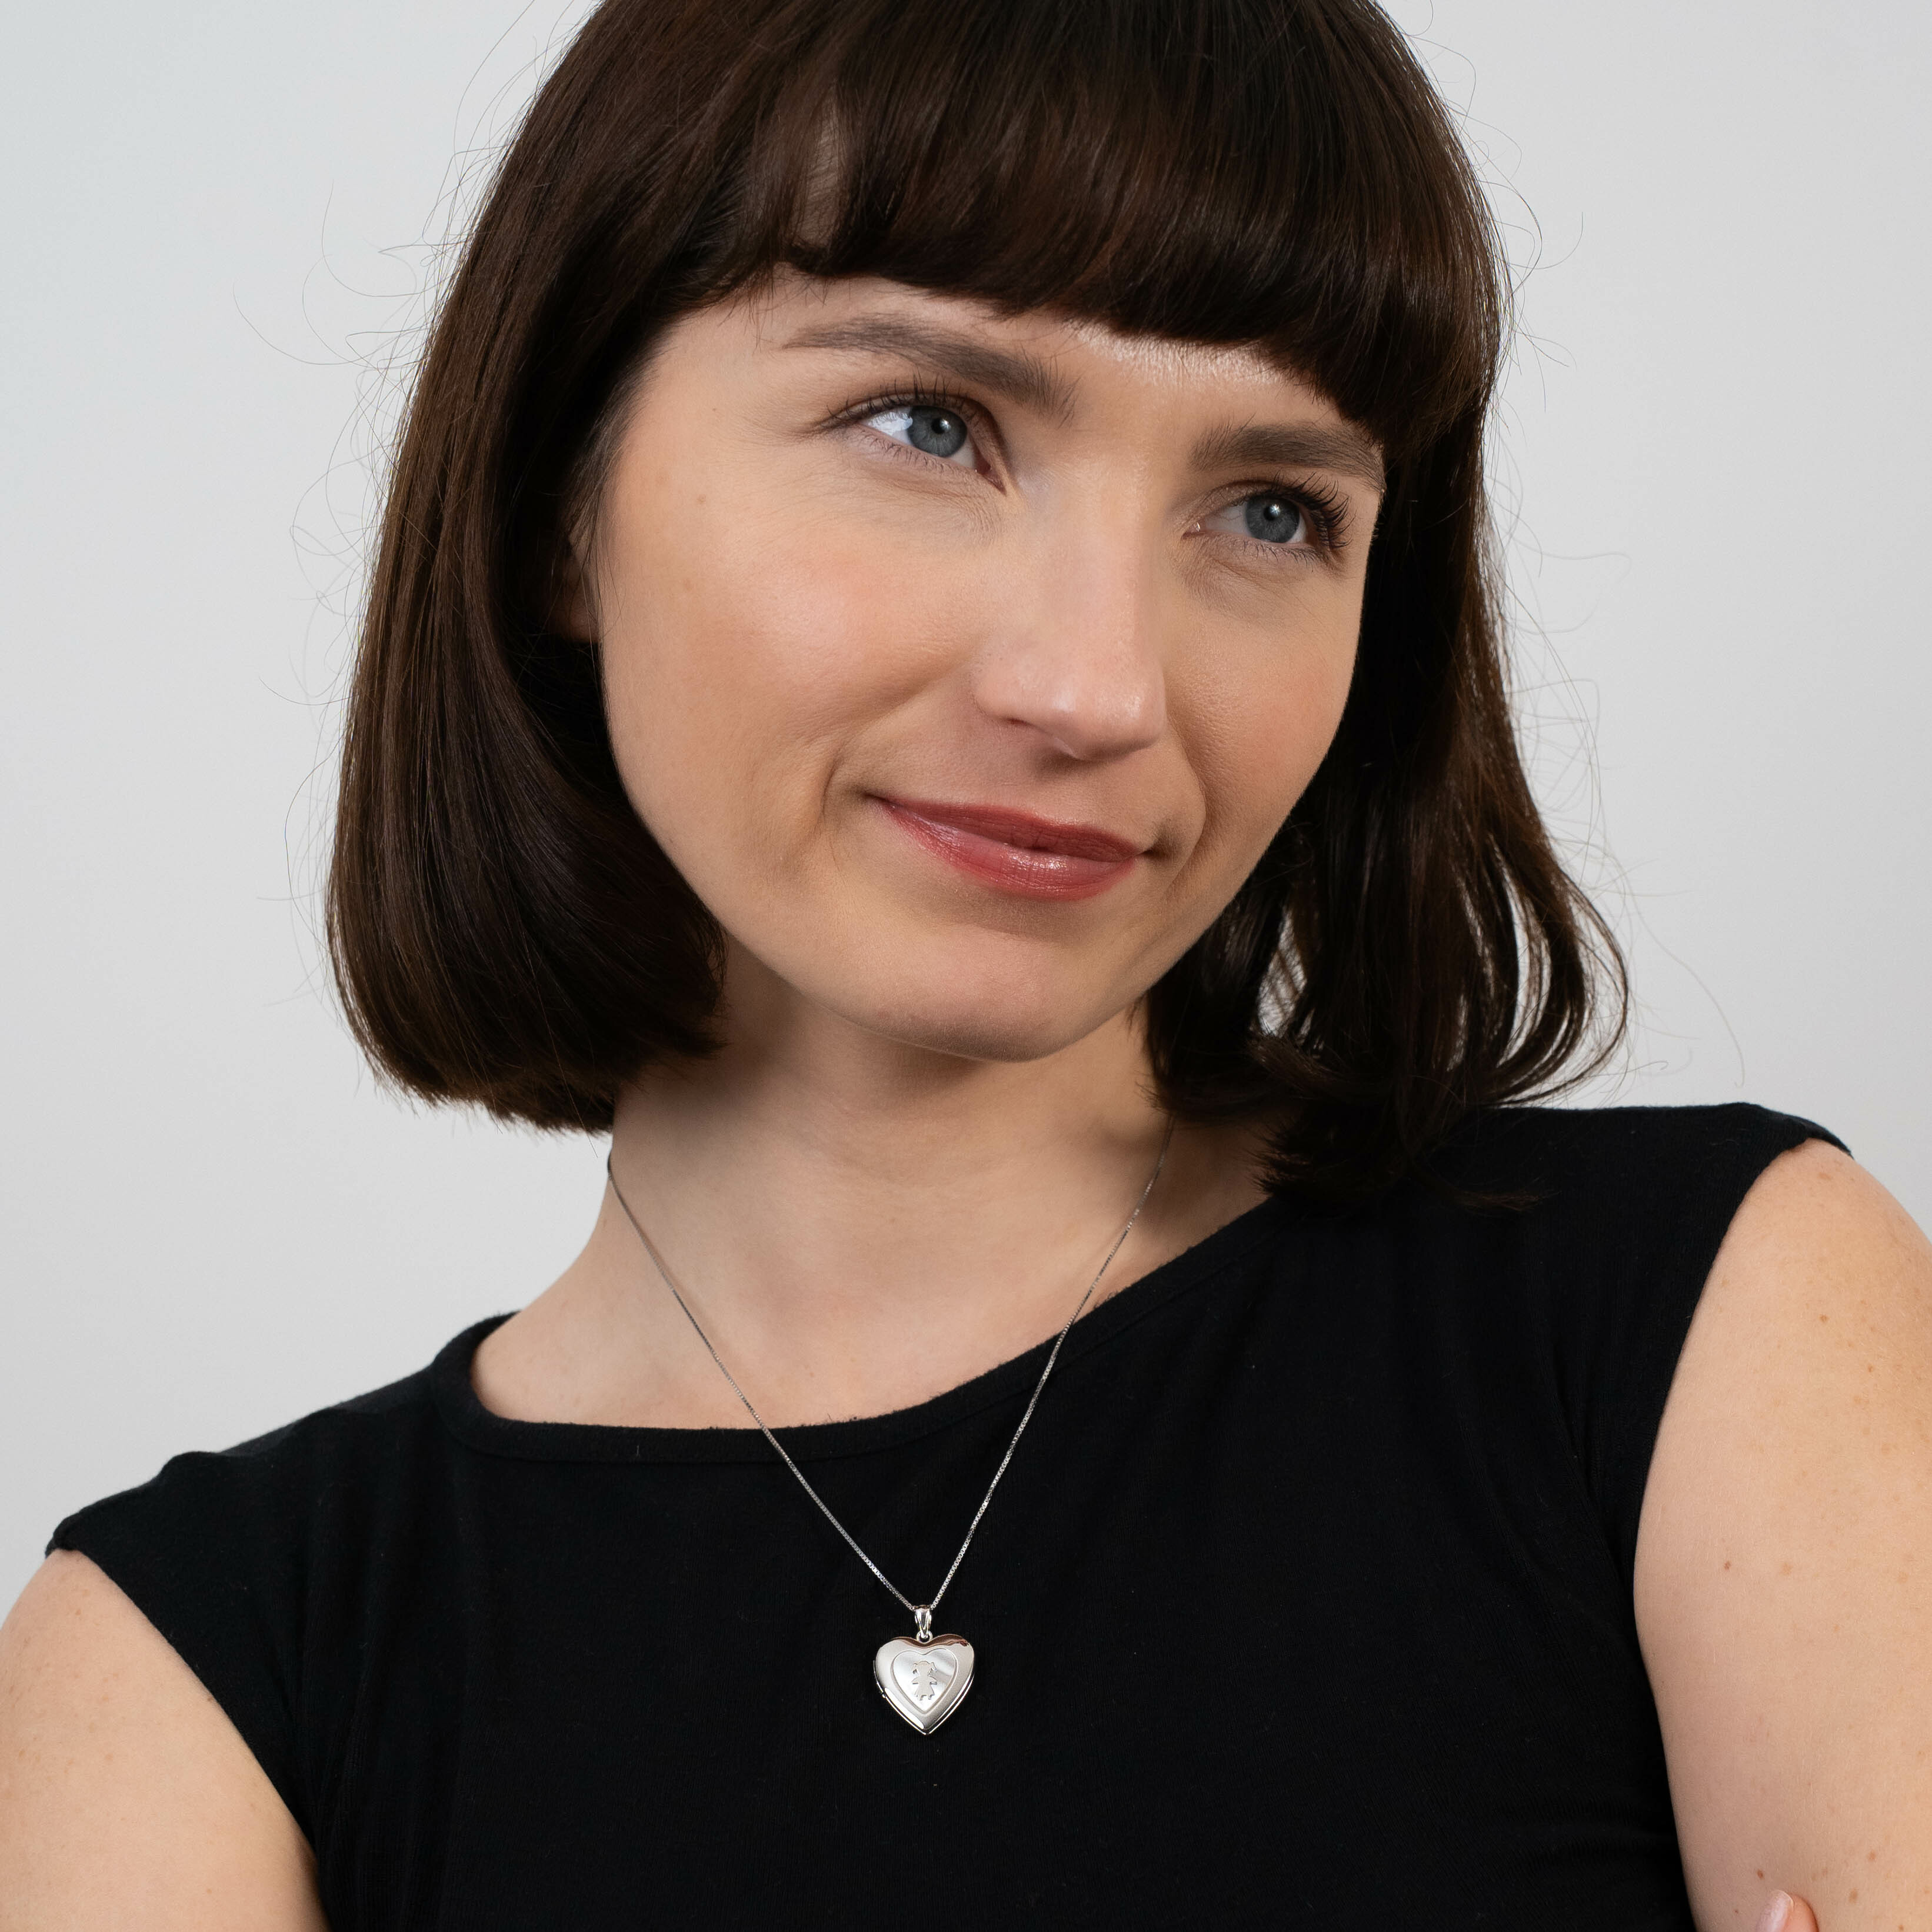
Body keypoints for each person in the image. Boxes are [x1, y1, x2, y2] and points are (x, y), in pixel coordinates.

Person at [0, 0, 1922, 1923]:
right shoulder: (189, 1672)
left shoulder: (1715, 1322)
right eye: (927, 425)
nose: (1098, 686)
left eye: (1271, 510)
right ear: (554, 503)